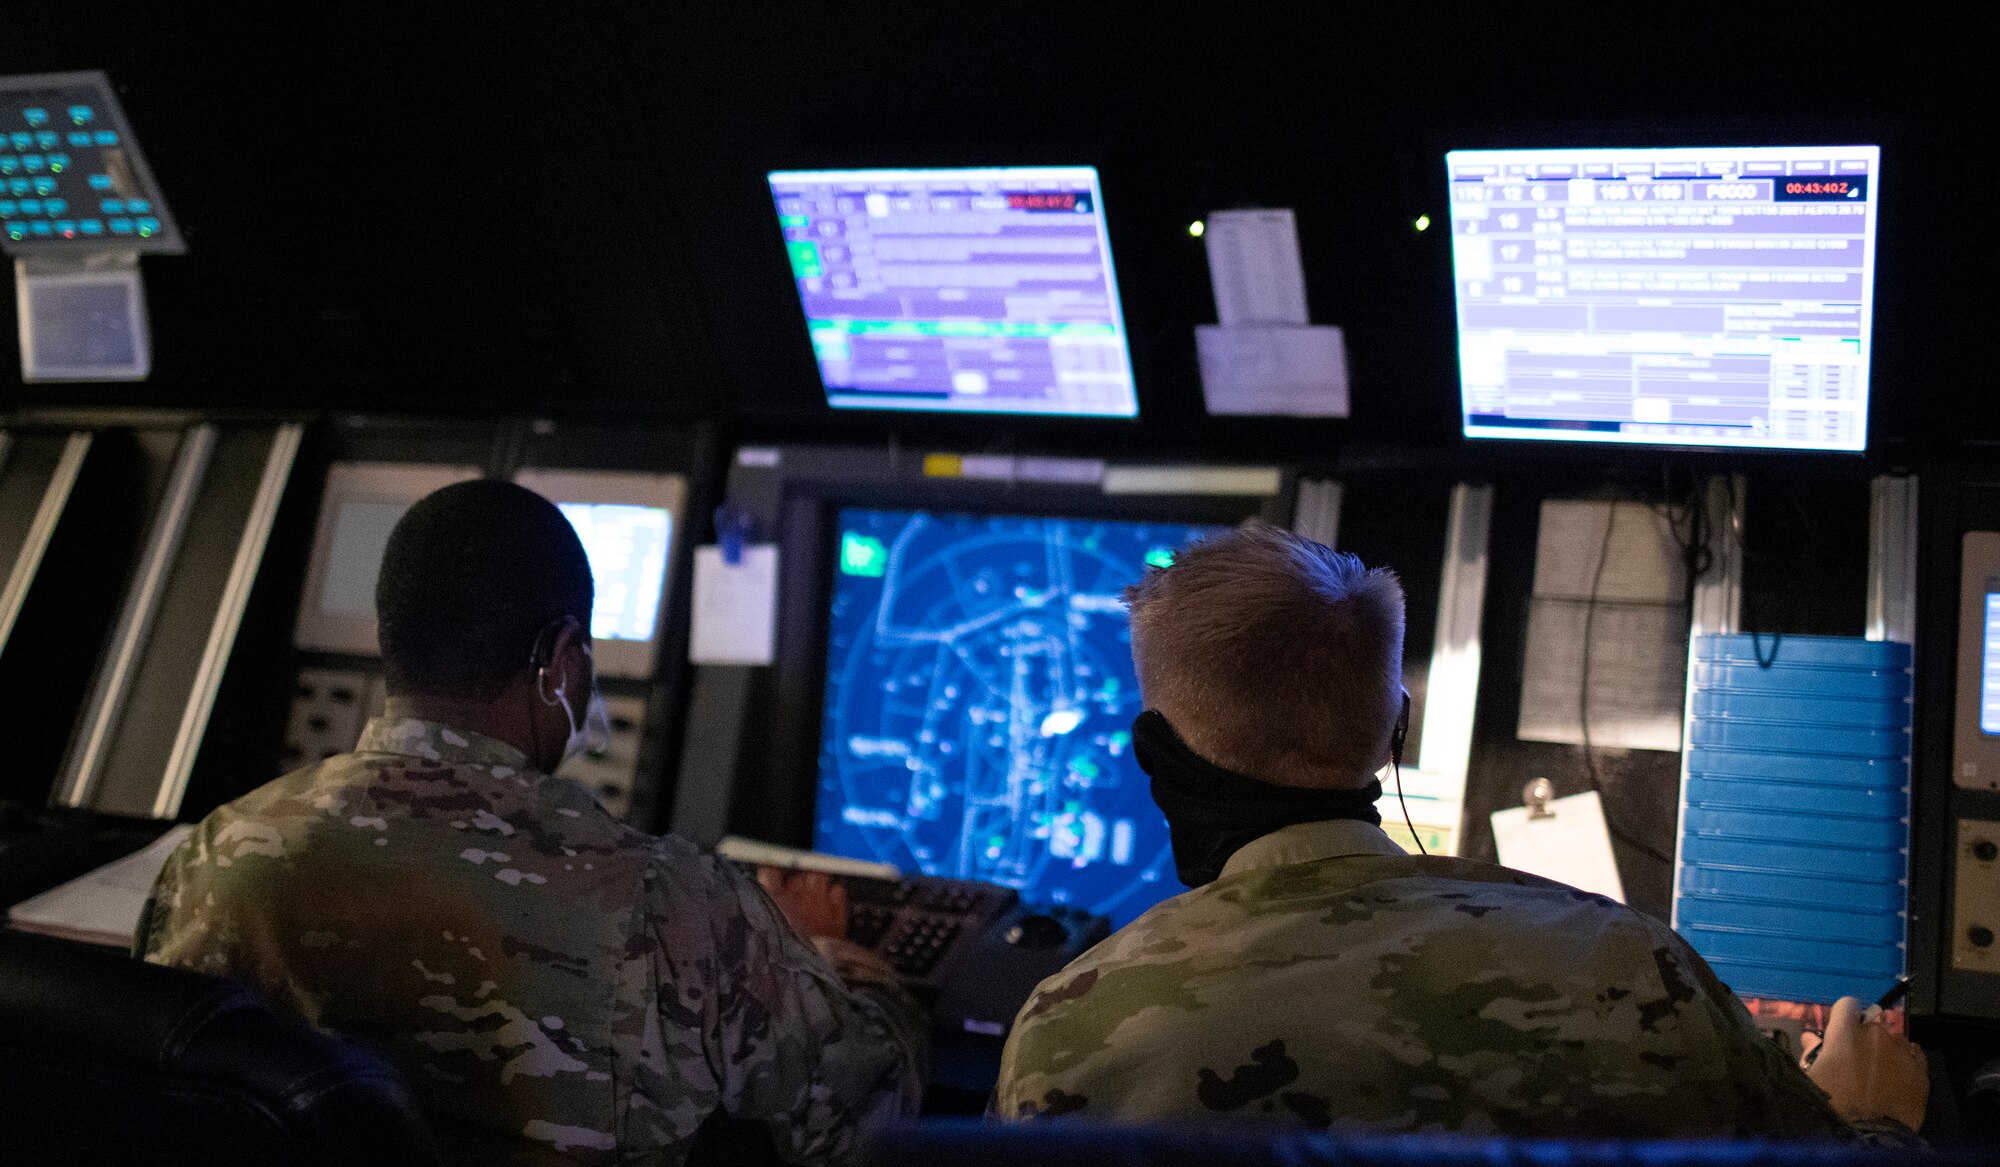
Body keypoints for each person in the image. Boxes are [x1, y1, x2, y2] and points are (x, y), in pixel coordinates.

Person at [992, 522, 1926, 1143]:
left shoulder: (1066, 1032)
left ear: (1157, 754)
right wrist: (1878, 1124)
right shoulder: (1632, 965)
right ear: (1395, 730)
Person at [138, 481, 927, 1165]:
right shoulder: (675, 906)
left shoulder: (216, 857)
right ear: (564, 660)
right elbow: (872, 1119)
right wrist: (834, 954)